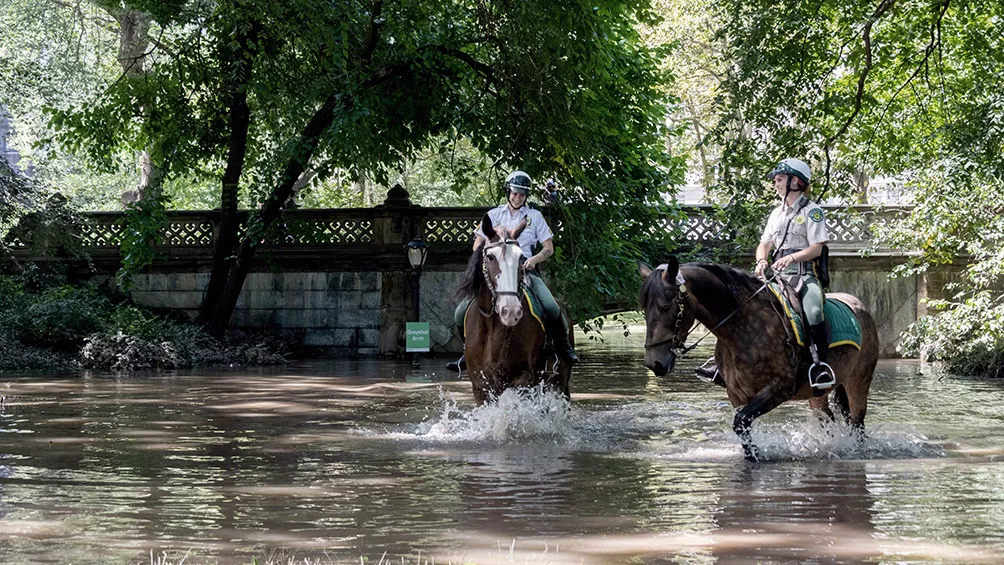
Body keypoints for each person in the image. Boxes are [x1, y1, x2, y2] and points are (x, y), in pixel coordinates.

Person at [695, 157, 835, 389]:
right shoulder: (775, 213)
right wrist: (761, 260)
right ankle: (722, 364)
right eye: (776, 180)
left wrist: (791, 257)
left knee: (814, 309)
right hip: (775, 276)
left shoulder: (812, 212)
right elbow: (764, 244)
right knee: (739, 304)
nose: (776, 184)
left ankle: (819, 365)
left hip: (803, 275)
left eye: (780, 179)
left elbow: (816, 248)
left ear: (796, 182)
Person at [446, 170, 579, 372]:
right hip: (496, 271)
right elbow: (477, 245)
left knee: (552, 307)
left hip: (524, 269)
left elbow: (548, 248)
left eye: (522, 194)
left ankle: (561, 347)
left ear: (526, 196)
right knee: (460, 313)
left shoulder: (534, 216)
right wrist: (489, 256)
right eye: (515, 193)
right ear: (508, 192)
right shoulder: (493, 215)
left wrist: (534, 260)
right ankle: (467, 352)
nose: (518, 197)